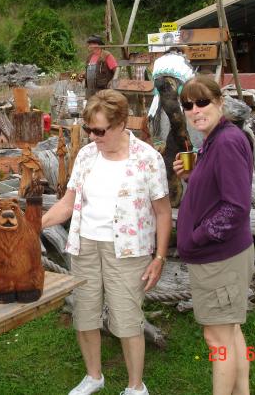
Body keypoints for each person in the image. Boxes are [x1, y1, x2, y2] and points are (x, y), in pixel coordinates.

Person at [42, 90, 172, 395]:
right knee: (84, 314)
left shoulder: (148, 159)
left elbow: (163, 213)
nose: (93, 136)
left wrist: (160, 258)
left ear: (121, 124)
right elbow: (67, 203)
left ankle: (135, 387)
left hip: (128, 251)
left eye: (100, 130)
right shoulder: (87, 154)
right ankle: (94, 376)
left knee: (127, 320)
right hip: (85, 245)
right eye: (89, 129)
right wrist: (34, 224)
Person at [172, 76, 254, 395]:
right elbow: (217, 193)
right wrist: (194, 176)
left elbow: (235, 207)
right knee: (230, 333)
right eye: (188, 105)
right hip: (222, 258)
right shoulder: (214, 139)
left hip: (220, 259)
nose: (195, 110)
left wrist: (195, 238)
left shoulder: (227, 141)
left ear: (220, 102)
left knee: (217, 340)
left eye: (202, 102)